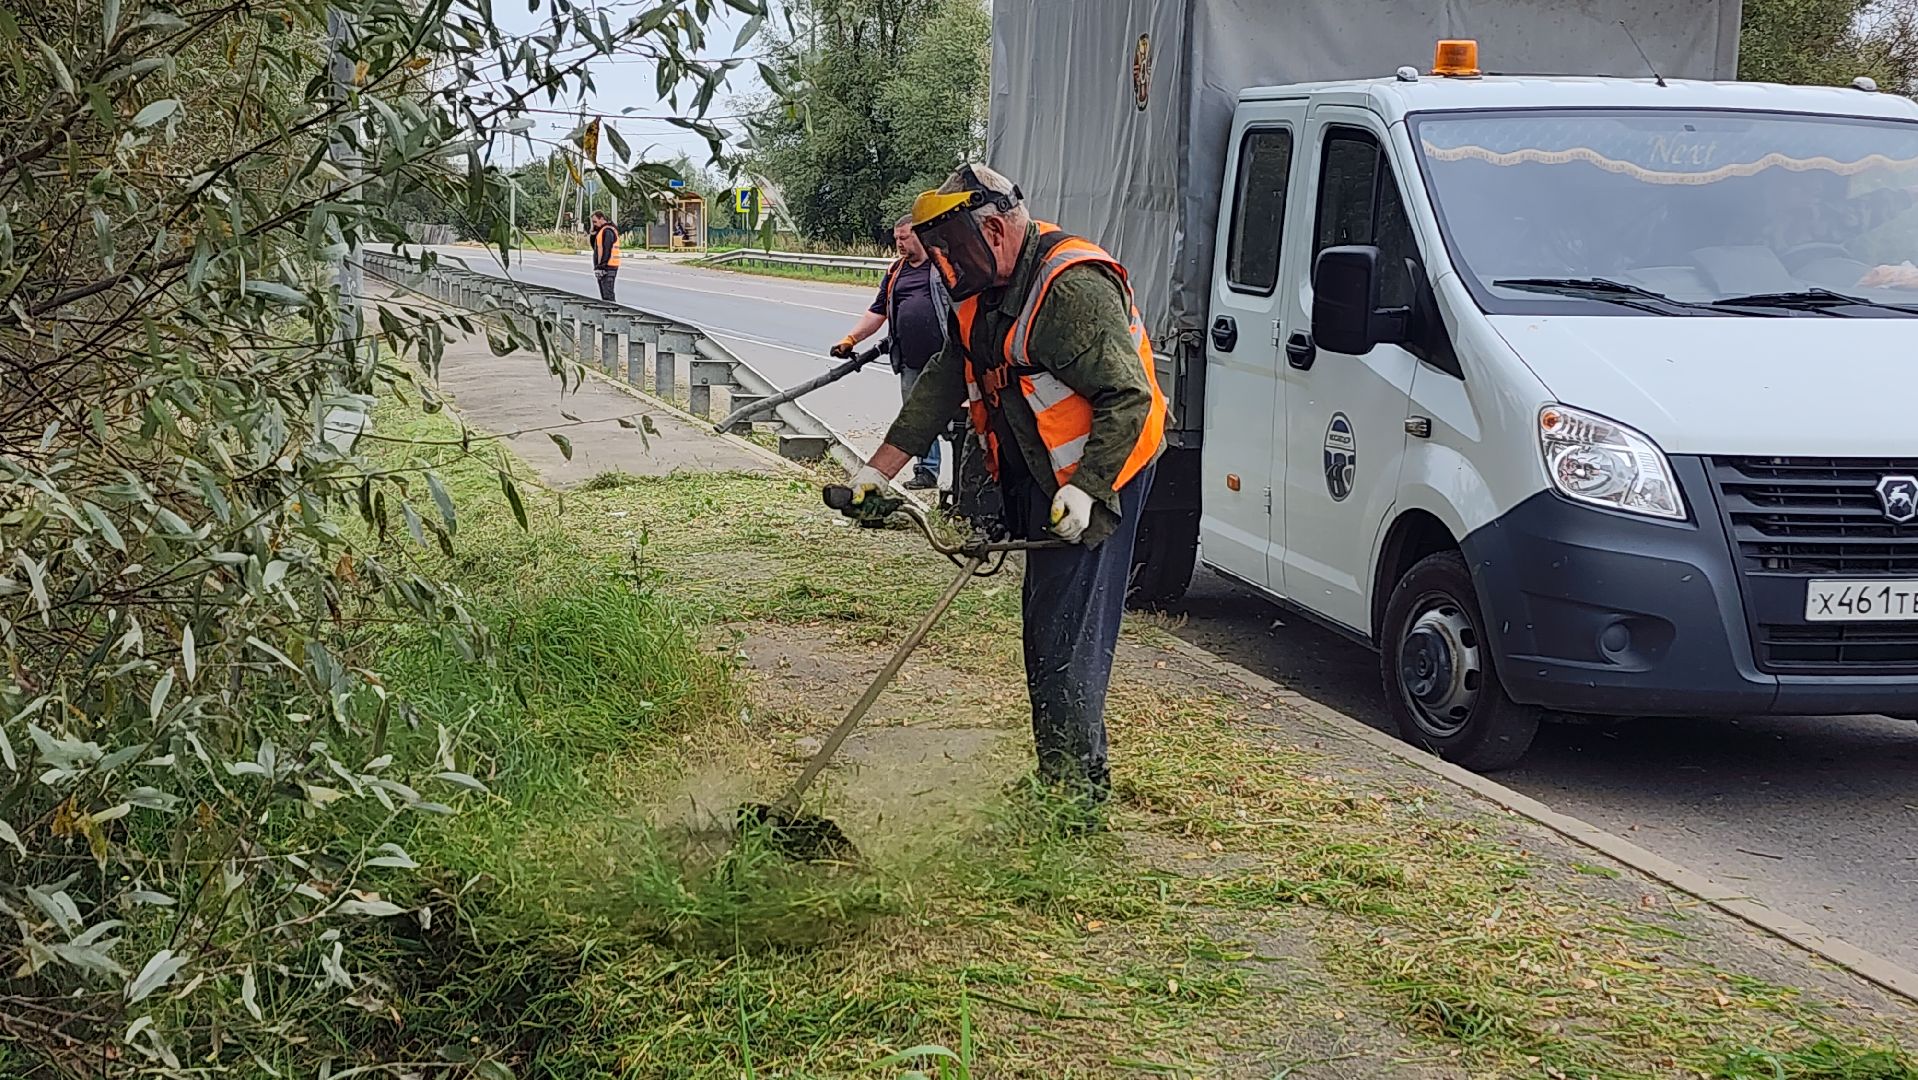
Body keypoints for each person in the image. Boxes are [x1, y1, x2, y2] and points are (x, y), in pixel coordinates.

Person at [845, 164, 1166, 808]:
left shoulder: (1070, 289)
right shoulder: (978, 285)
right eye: (933, 255)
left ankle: (1073, 800)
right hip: (1036, 467)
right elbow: (946, 374)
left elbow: (1128, 398)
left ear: (994, 229)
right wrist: (880, 468)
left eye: (948, 252)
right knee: (1044, 624)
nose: (941, 268)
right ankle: (1061, 777)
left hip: (1104, 472)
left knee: (1063, 633)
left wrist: (1088, 487)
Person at [832, 215, 945, 490]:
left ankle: (971, 482)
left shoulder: (943, 266)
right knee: (917, 416)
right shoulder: (896, 272)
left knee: (960, 421)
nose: (899, 243)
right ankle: (927, 471)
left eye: (904, 237)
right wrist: (851, 339)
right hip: (910, 360)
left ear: (920, 235)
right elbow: (878, 311)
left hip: (946, 361)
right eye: (896, 238)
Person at [590, 210, 620, 302]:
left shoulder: (608, 231)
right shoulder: (601, 231)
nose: (594, 224)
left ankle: (612, 313)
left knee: (608, 295)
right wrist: (592, 233)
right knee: (605, 295)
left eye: (595, 221)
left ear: (601, 219)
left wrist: (601, 267)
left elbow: (607, 249)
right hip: (605, 267)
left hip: (608, 267)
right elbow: (595, 247)